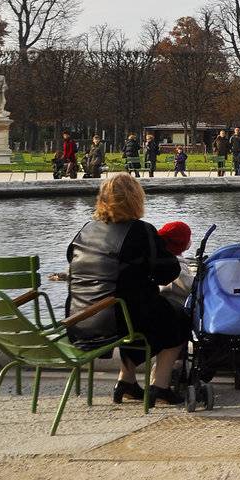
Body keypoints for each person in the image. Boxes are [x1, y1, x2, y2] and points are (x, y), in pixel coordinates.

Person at [65, 173, 189, 405]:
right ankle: (160, 384)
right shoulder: (141, 231)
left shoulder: (86, 229)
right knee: (178, 317)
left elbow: (72, 258)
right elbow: (168, 272)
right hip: (117, 316)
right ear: (135, 199)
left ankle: (127, 380)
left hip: (81, 314)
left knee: (134, 307)